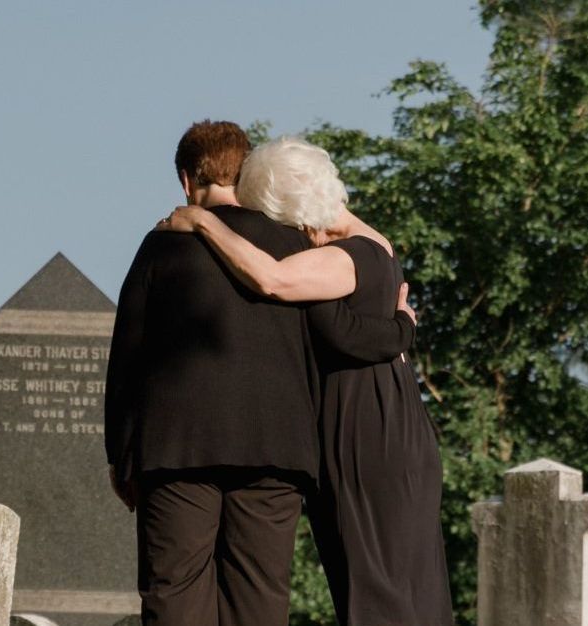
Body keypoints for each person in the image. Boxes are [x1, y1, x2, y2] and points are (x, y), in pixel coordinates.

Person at [104, 121, 416, 626]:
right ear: (247, 174)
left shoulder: (162, 244)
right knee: (260, 596)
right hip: (278, 449)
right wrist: (402, 328)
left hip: (177, 449)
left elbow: (128, 355)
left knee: (175, 590)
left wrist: (121, 456)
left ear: (186, 180)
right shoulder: (293, 245)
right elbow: (337, 333)